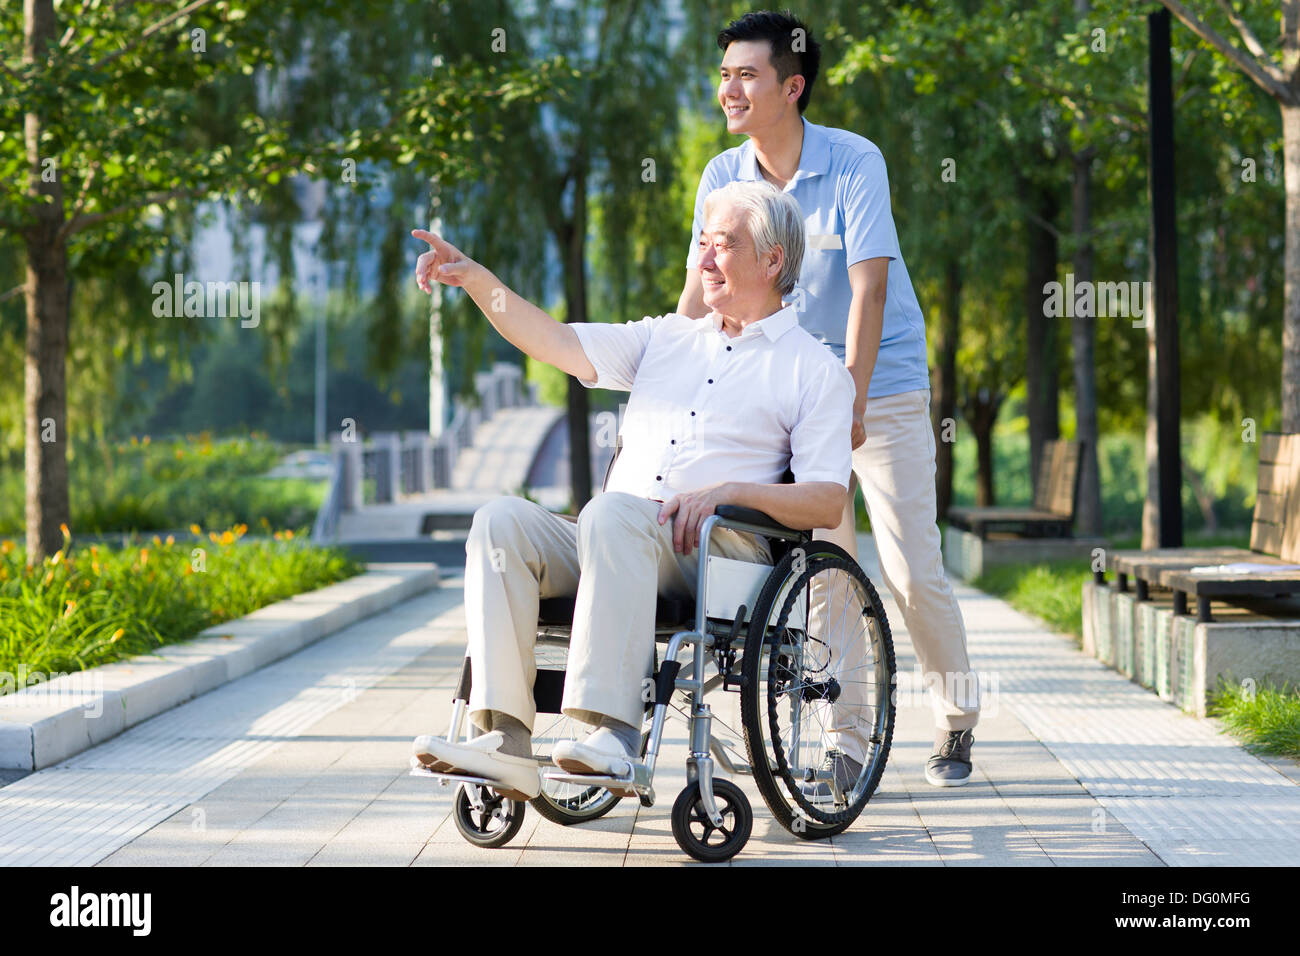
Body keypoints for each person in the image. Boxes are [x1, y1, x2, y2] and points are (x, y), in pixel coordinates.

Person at [409, 180, 855, 800]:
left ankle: (610, 735)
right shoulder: (666, 339)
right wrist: (477, 280)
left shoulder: (814, 368)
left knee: (613, 515)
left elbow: (825, 500)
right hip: (614, 533)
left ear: (773, 259)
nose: (701, 262)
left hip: (718, 553)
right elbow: (558, 343)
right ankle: (504, 740)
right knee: (500, 522)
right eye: (701, 244)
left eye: (720, 246)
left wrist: (729, 491)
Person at [676, 11, 980, 787]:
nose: (729, 89)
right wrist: (669, 386)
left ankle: (955, 717)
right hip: (784, 395)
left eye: (747, 75)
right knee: (828, 569)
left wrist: (848, 400)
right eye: (723, 75)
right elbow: (701, 295)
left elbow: (868, 290)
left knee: (912, 569)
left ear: (792, 86)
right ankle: (847, 746)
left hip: (880, 385)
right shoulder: (722, 177)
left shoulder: (853, 161)